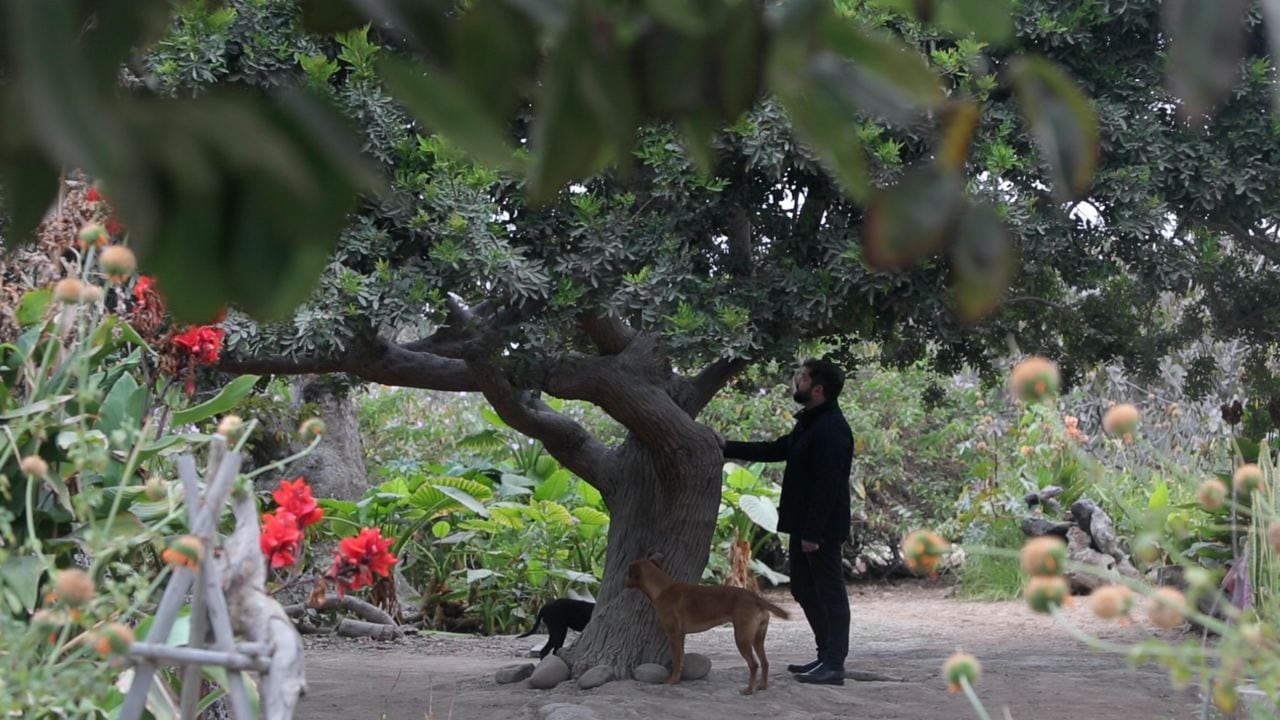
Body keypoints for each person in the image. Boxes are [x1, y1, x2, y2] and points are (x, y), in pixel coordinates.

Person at [716, 358, 853, 685]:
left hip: (819, 529)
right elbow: (779, 448)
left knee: (831, 593)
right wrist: (726, 446)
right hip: (805, 525)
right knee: (805, 589)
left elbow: (828, 485)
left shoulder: (832, 427)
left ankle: (835, 663)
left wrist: (814, 533)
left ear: (817, 389)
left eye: (802, 379)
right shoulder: (810, 422)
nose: (797, 384)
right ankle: (824, 657)